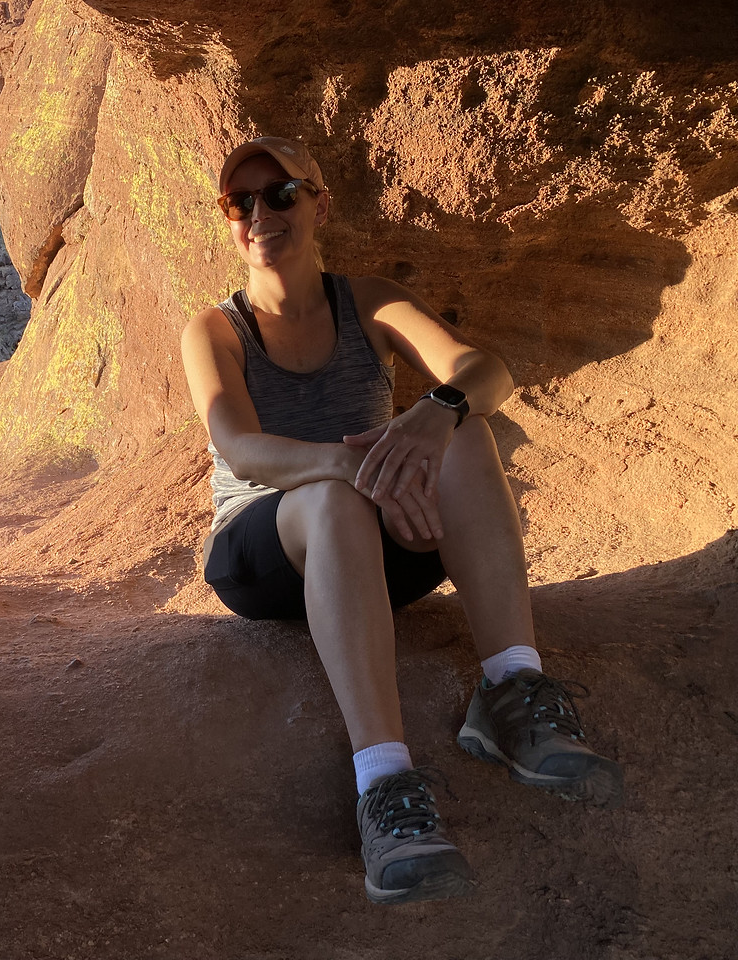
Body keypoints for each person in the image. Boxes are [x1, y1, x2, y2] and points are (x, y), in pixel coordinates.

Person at [180, 137, 623, 905]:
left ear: (319, 202)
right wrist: (354, 466)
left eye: (280, 193)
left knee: (467, 431)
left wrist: (434, 410)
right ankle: (384, 786)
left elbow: (488, 372)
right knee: (331, 496)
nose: (260, 214)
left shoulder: (370, 302)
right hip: (264, 549)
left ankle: (513, 691)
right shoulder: (218, 331)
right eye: (239, 202)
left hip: (376, 538)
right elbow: (241, 448)